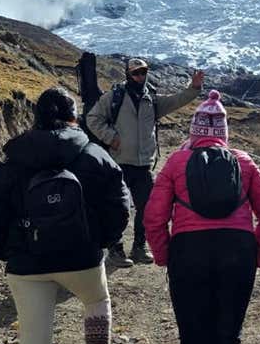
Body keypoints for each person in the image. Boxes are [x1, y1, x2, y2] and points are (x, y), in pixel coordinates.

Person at [0, 87, 130, 344]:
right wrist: (101, 242)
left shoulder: (13, 160)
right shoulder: (94, 154)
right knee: (96, 301)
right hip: (82, 258)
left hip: (26, 264)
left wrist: (9, 251)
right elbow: (119, 205)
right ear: (74, 117)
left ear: (36, 118)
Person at [144, 90, 260, 344]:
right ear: (224, 132)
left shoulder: (176, 162)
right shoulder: (244, 162)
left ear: (194, 131)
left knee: (192, 340)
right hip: (238, 252)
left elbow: (154, 217)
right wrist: (258, 255)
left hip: (188, 253)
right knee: (229, 341)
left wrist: (163, 256)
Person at [86, 57, 204, 267]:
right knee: (117, 208)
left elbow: (176, 100)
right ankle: (115, 250)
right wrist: (111, 137)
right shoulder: (115, 97)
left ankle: (139, 247)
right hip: (119, 162)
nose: (140, 76)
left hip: (143, 165)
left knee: (147, 208)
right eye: (136, 73)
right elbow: (93, 118)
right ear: (128, 74)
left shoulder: (152, 100)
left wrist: (194, 88)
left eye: (143, 72)